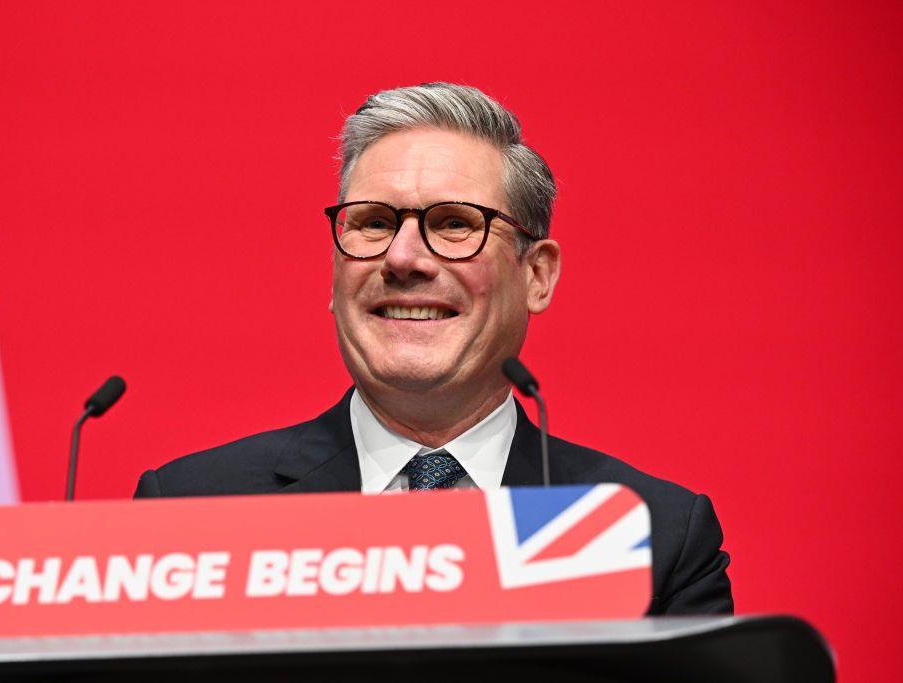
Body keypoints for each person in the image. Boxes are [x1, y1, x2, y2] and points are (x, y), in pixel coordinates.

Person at [135, 83, 733, 615]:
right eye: (371, 222)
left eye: (453, 224)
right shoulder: (194, 513)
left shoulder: (647, 538)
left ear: (537, 276)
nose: (401, 258)